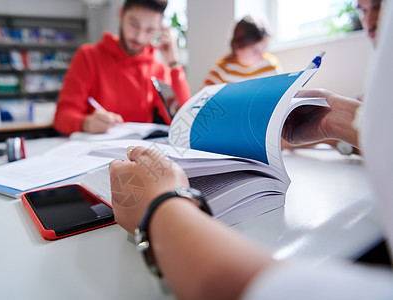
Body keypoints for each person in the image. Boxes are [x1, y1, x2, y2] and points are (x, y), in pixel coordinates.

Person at [107, 1, 393, 296]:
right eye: (363, 10)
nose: (371, 22)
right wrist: (335, 116)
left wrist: (162, 205)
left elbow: (265, 289)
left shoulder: (159, 62)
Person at [53, 0, 191, 135]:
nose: (139, 37)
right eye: (134, 24)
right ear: (121, 14)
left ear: (159, 29)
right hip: (94, 151)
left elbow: (184, 123)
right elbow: (62, 117)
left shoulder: (158, 69)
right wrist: (86, 123)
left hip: (138, 153)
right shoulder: (88, 56)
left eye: (150, 30)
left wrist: (174, 64)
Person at [203, 15, 281, 87]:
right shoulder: (220, 72)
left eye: (265, 47)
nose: (262, 55)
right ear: (238, 48)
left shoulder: (271, 65)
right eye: (255, 51)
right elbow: (203, 100)